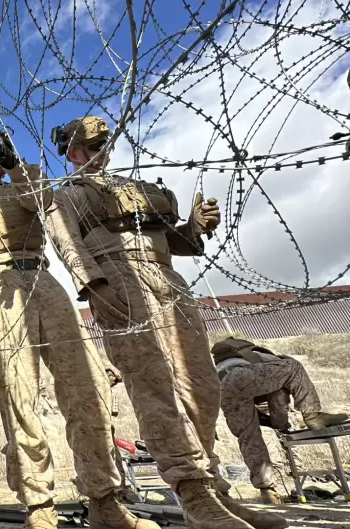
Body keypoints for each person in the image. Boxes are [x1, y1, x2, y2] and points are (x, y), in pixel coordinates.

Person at [48, 115, 289, 529]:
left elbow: (174, 241)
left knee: (201, 384)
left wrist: (195, 226)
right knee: (154, 385)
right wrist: (94, 286)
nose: (99, 151)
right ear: (72, 152)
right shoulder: (70, 194)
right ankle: (190, 491)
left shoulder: (132, 190)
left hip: (166, 279)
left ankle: (212, 486)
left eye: (104, 144)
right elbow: (65, 239)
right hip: (120, 282)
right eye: (90, 146)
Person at [0, 132, 157, 529]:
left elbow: (41, 200)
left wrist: (16, 164)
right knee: (19, 393)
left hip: (41, 277)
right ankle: (39, 504)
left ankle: (104, 497)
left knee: (86, 384)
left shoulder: (24, 183)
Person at [212, 337, 349, 504]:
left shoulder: (223, 364)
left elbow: (249, 394)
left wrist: (264, 419)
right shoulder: (274, 361)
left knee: (248, 438)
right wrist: (281, 423)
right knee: (295, 367)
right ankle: (313, 415)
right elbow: (279, 395)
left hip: (221, 388)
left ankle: (267, 490)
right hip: (243, 375)